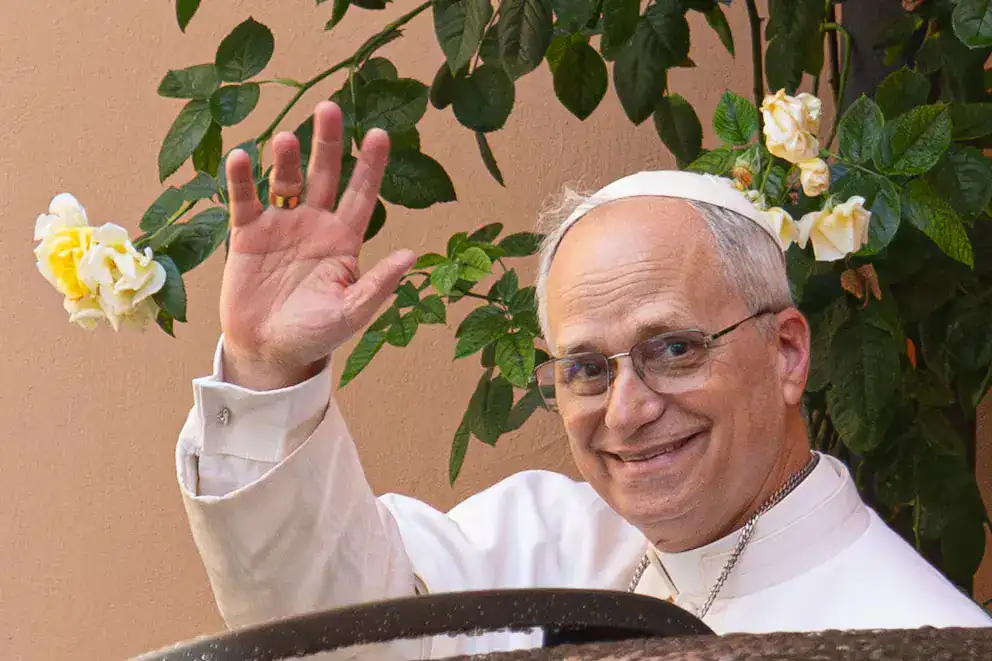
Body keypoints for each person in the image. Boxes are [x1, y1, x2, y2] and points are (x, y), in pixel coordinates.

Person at [174, 101, 991, 659]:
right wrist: (270, 370)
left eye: (674, 348)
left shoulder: (917, 632)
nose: (627, 411)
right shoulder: (541, 545)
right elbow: (339, 631)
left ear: (786, 352)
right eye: (588, 368)